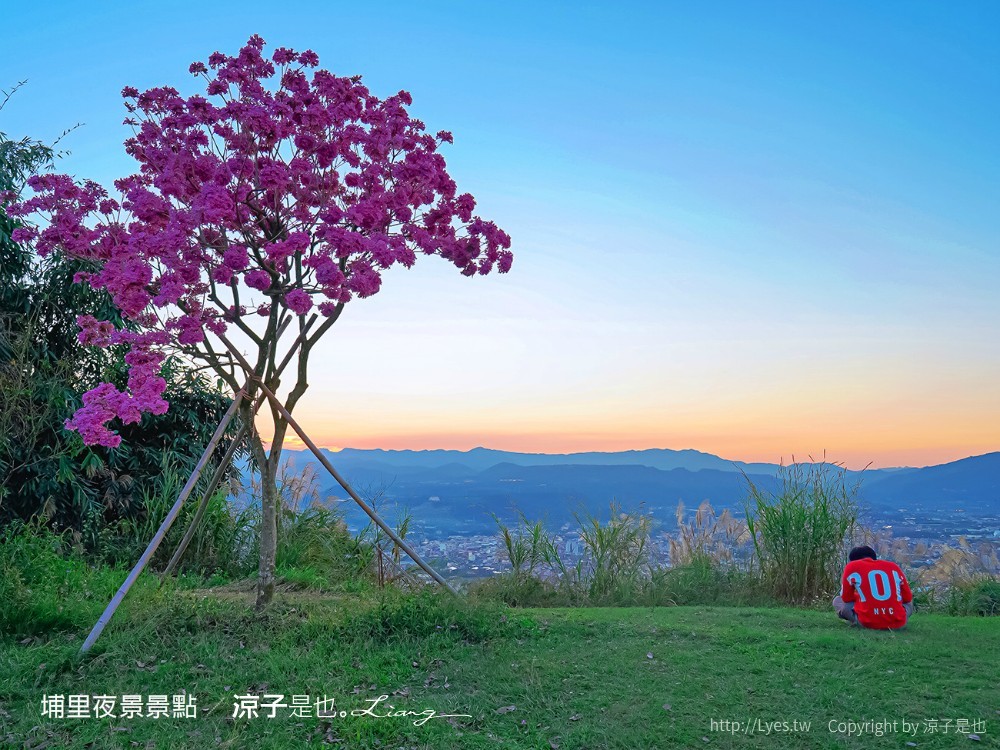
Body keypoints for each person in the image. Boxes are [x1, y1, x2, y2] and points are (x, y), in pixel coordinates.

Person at [833, 545, 914, 630]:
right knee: (909, 602)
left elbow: (846, 598)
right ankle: (895, 617)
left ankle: (857, 620)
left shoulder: (852, 566)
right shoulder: (893, 566)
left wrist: (859, 597)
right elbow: (907, 598)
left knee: (838, 600)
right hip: (898, 624)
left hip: (868, 623)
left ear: (852, 560)